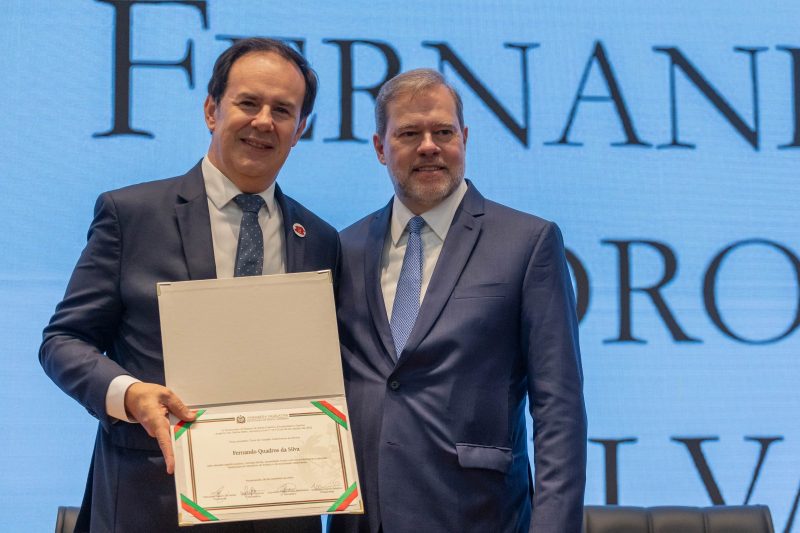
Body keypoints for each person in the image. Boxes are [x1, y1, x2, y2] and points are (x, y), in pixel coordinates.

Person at [40, 38, 338, 533]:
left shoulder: (322, 240)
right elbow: (63, 341)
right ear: (211, 110)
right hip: (149, 503)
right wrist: (128, 393)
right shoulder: (131, 215)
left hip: (283, 509)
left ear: (299, 129)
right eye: (248, 102)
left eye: (282, 110)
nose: (264, 121)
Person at [330, 69, 587, 533]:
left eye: (443, 132)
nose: (429, 145)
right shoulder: (343, 249)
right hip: (365, 518)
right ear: (379, 147)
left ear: (464, 138)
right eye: (409, 133)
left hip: (478, 516)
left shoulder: (528, 243)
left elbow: (559, 409)